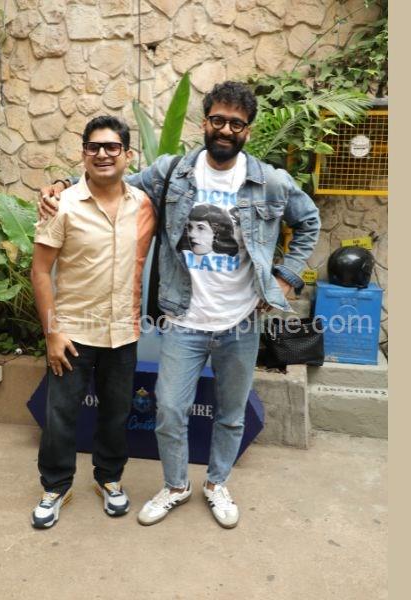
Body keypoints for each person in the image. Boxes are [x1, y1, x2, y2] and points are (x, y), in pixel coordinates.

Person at [38, 81, 320, 529]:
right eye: (218, 120)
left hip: (241, 321)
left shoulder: (270, 181)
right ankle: (175, 486)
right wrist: (62, 186)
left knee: (231, 414)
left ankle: (217, 482)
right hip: (184, 318)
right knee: (169, 410)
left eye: (236, 123)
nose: (225, 129)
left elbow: (309, 221)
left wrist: (285, 278)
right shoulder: (173, 172)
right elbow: (112, 182)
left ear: (247, 130)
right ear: (205, 122)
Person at [29, 115, 156, 529]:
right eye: (94, 147)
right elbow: (40, 271)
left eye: (112, 147)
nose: (103, 154)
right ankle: (55, 486)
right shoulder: (61, 205)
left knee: (116, 414)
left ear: (127, 154)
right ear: (83, 154)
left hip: (122, 331)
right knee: (60, 416)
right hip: (72, 333)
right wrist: (52, 332)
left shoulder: (144, 205)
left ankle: (109, 479)